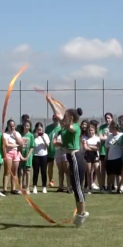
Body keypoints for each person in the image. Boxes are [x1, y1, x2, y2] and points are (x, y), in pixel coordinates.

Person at [46, 95, 88, 227]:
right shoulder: (65, 126)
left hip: (76, 158)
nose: (62, 116)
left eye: (66, 115)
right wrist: (50, 101)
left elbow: (71, 128)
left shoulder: (74, 126)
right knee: (76, 186)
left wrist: (68, 122)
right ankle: (81, 212)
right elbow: (57, 114)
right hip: (72, 157)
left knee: (76, 187)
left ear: (71, 118)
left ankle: (82, 213)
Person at [2, 119, 23, 195]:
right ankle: (5, 189)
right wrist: (17, 145)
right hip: (8, 153)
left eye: (13, 126)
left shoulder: (17, 133)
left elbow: (21, 142)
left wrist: (15, 136)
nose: (12, 127)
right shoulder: (5, 134)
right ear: (8, 126)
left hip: (16, 153)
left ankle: (13, 188)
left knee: (14, 172)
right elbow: (7, 144)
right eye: (10, 126)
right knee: (7, 171)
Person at [104, 121, 123, 194]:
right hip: (110, 158)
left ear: (115, 128)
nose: (110, 129)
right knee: (110, 174)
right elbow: (107, 146)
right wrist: (106, 156)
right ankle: (109, 188)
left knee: (118, 174)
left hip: (118, 157)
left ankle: (119, 188)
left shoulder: (121, 135)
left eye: (112, 127)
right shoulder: (109, 136)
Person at [97, 113, 114, 192]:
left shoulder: (114, 127)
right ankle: (102, 185)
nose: (108, 120)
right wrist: (108, 138)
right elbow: (100, 137)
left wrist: (106, 138)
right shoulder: (101, 127)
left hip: (112, 152)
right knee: (102, 169)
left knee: (111, 170)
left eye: (109, 118)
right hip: (103, 151)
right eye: (106, 118)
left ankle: (111, 185)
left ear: (112, 118)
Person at [83, 123, 101, 194]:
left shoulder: (97, 138)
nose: (91, 132)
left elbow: (98, 147)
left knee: (97, 170)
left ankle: (101, 185)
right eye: (89, 130)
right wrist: (93, 147)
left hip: (95, 155)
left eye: (92, 130)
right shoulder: (85, 137)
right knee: (89, 171)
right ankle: (89, 186)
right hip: (88, 155)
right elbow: (85, 147)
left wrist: (89, 146)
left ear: (95, 130)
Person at [32, 122, 49, 194]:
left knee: (44, 172)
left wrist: (43, 138)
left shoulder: (45, 135)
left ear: (42, 129)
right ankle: (34, 186)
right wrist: (35, 137)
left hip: (44, 156)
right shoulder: (33, 136)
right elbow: (31, 145)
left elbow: (48, 146)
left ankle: (44, 187)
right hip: (35, 155)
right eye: (38, 129)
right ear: (35, 129)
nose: (39, 131)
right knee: (35, 172)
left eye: (40, 129)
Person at [45, 114, 61, 188]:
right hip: (50, 150)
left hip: (59, 151)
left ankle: (61, 182)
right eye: (54, 118)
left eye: (57, 119)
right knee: (50, 167)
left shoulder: (61, 128)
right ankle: (50, 180)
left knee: (60, 167)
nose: (56, 120)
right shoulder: (48, 128)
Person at [19, 120, 35, 194]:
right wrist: (21, 156)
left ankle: (27, 188)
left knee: (27, 172)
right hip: (20, 156)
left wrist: (28, 156)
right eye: (25, 125)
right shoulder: (20, 135)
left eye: (28, 126)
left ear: (30, 127)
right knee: (21, 172)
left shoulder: (31, 135)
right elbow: (18, 147)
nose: (26, 127)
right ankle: (20, 188)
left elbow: (32, 147)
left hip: (28, 156)